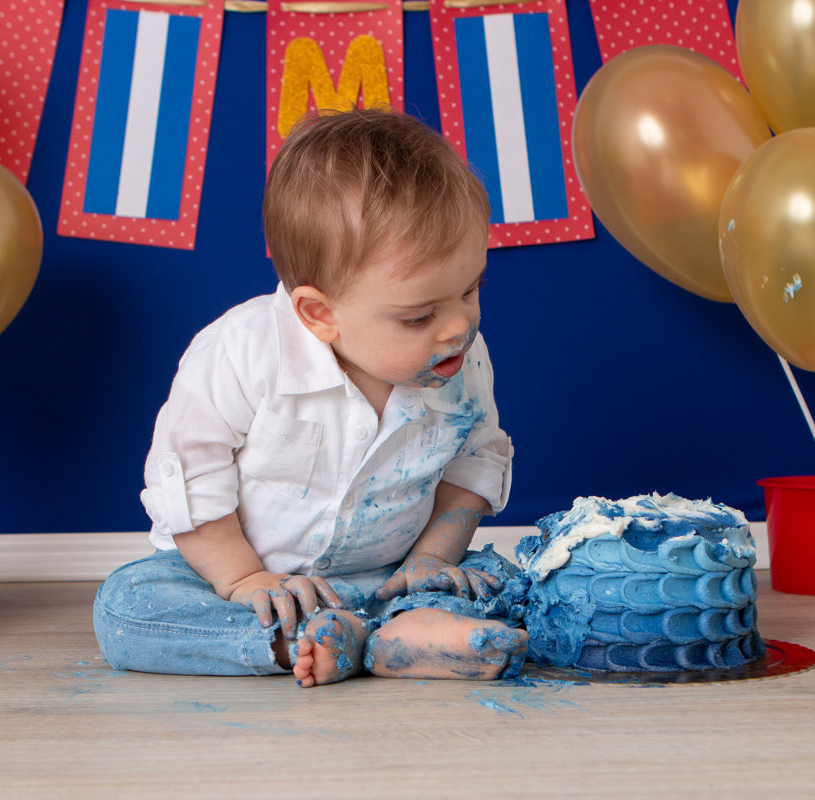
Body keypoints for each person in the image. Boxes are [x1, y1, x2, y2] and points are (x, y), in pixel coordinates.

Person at [93, 108, 527, 687]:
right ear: (320, 314)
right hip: (241, 578)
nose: (458, 327)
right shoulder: (242, 352)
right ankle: (304, 640)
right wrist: (245, 581)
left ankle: (394, 627)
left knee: (501, 578)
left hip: (385, 575)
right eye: (419, 315)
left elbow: (474, 464)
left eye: (472, 289)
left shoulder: (465, 362)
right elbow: (191, 479)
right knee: (127, 606)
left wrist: (432, 561)